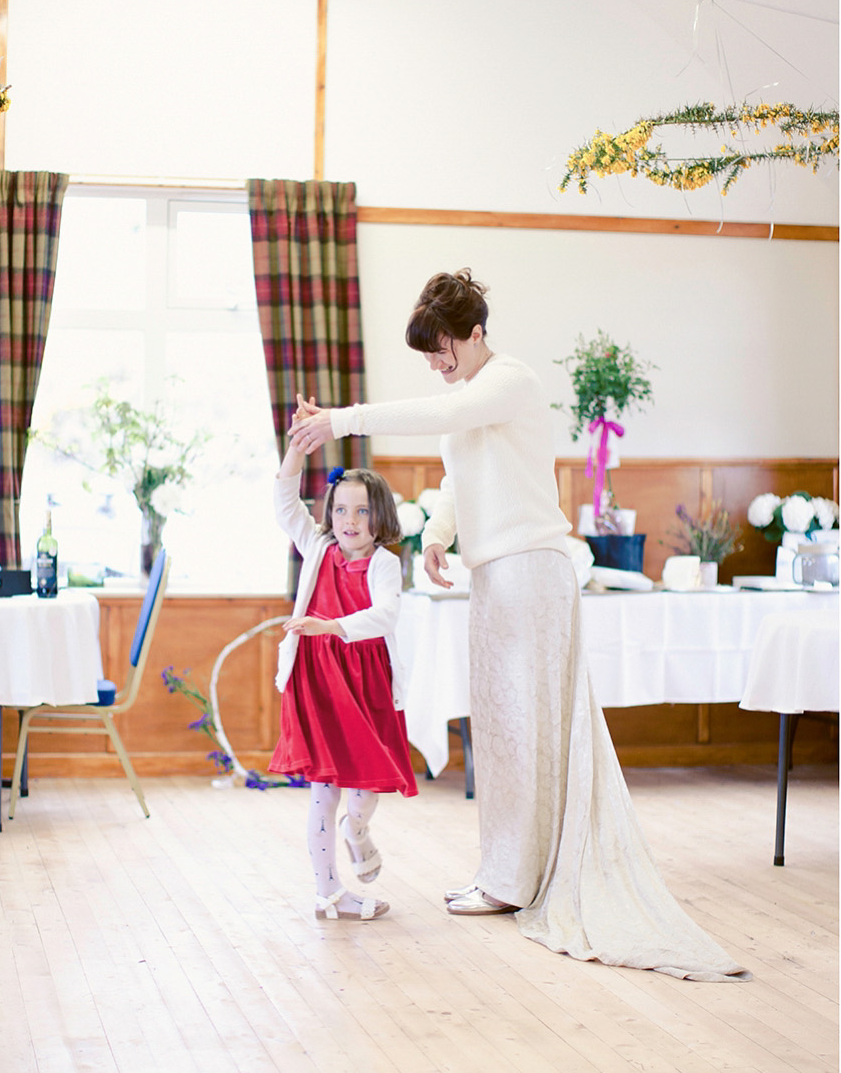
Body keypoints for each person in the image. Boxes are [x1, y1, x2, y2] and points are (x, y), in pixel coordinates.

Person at [290, 269, 750, 980]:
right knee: (502, 733)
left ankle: (516, 877)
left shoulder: (510, 381)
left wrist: (341, 421)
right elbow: (459, 474)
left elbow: (447, 421)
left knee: (527, 729)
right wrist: (440, 533)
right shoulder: (470, 397)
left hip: (532, 571)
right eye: (430, 354)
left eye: (443, 348)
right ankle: (505, 872)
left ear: (474, 333)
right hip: (496, 575)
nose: (438, 364)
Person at [271, 428, 418, 922]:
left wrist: (331, 624)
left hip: (366, 685)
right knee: (324, 788)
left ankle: (357, 832)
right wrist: (296, 449)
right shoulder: (316, 547)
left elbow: (385, 616)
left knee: (363, 793)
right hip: (319, 684)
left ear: (380, 516)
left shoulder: (383, 564)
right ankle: (328, 891)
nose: (349, 521)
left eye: (361, 511)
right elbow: (285, 502)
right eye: (339, 510)